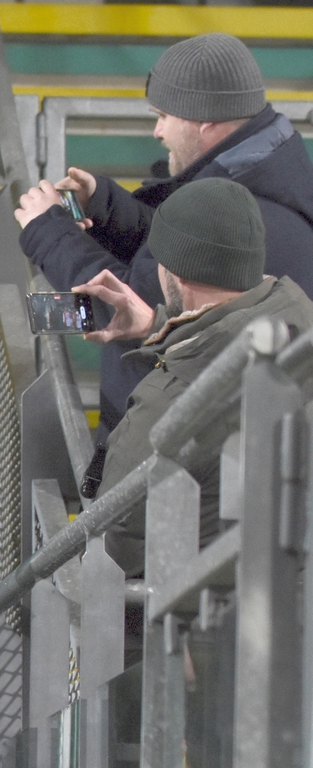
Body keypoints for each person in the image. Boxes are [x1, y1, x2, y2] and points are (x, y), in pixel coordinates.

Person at [16, 32, 313, 444]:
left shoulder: (254, 209)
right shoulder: (252, 174)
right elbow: (176, 245)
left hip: (177, 461)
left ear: (205, 119)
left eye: (164, 116)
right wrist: (105, 205)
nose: (157, 131)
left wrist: (47, 231)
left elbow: (125, 308)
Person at [85, 178, 313, 571]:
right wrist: (163, 325)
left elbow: (113, 543)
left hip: (194, 615)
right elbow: (228, 341)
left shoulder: (170, 401)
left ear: (178, 273)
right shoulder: (298, 328)